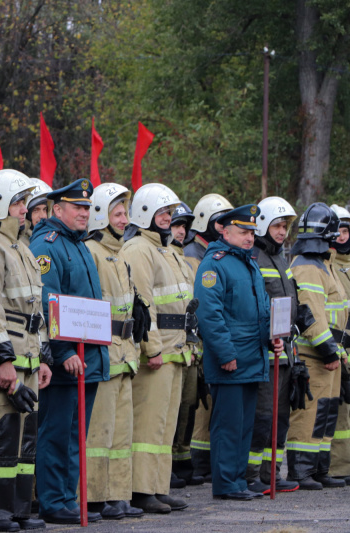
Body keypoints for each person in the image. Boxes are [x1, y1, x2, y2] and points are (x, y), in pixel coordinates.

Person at [0, 169, 52, 531]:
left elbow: (35, 308)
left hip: (29, 358)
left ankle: (18, 511)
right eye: (18, 202)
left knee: (23, 435)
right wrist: (1, 360)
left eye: (24, 203)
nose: (23, 209)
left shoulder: (22, 247)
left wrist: (44, 355)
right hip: (6, 361)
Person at [29, 178, 109, 525]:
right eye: (77, 207)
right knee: (57, 433)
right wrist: (61, 353)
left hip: (88, 355)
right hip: (68, 359)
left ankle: (68, 497)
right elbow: (49, 300)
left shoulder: (78, 245)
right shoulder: (48, 246)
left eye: (87, 208)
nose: (84, 213)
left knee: (76, 435)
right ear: (57, 209)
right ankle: (52, 500)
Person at [195, 204, 283, 500]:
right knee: (228, 426)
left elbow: (260, 311)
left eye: (252, 232)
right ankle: (226, 484)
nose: (249, 237)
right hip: (231, 360)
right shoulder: (215, 264)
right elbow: (210, 315)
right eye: (244, 231)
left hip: (252, 357)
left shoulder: (248, 262)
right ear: (225, 230)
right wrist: (225, 354)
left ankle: (238, 482)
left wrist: (273, 339)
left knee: (244, 426)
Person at [120, 183, 195, 514]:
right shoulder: (139, 249)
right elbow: (143, 305)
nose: (168, 218)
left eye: (169, 213)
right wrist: (151, 349)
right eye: (163, 212)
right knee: (148, 424)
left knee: (164, 425)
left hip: (175, 351)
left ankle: (157, 486)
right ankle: (140, 489)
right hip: (159, 353)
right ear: (146, 213)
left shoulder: (165, 249)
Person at [83, 183, 144, 520]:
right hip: (105, 351)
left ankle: (118, 494)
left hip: (125, 353)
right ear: (100, 216)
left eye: (125, 213)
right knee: (99, 430)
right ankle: (94, 495)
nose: (124, 219)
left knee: (121, 432)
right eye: (117, 213)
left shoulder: (119, 253)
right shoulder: (93, 251)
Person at [287, 202, 348, 490]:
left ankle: (319, 469)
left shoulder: (322, 263)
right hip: (314, 354)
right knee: (309, 412)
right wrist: (328, 350)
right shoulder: (309, 266)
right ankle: (301, 472)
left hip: (329, 353)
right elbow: (311, 314)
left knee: (324, 412)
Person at [244, 197, 301, 494]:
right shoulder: (254, 257)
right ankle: (250, 476)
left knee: (280, 418)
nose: (282, 232)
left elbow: (292, 300)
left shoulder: (281, 258)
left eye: (285, 227)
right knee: (262, 416)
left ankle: (272, 474)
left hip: (286, 351)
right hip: (264, 353)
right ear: (264, 225)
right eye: (278, 226)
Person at [185, 193, 233, 480]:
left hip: (209, 340)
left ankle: (203, 464)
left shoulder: (211, 254)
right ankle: (200, 464)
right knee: (201, 404)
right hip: (200, 342)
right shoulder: (195, 256)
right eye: (221, 223)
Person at [168, 203, 205, 488]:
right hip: (168, 348)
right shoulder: (162, 257)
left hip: (189, 346)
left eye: (184, 226)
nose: (181, 231)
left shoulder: (182, 258)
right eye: (176, 225)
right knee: (169, 409)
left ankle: (181, 460)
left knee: (187, 404)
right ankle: (167, 464)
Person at [329, 204, 350, 484]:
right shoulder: (326, 265)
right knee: (339, 413)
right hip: (337, 348)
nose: (342, 236)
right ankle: (339, 467)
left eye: (346, 230)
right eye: (338, 231)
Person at [20, 178, 52, 247]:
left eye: (44, 209)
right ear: (26, 214)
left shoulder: (51, 238)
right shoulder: (20, 243)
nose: (42, 216)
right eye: (36, 210)